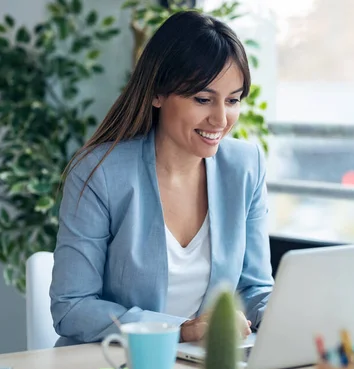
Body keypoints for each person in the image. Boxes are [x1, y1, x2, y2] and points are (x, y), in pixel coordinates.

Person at [49, 10, 274, 347]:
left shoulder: (245, 166)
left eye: (233, 100)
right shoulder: (100, 174)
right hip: (113, 367)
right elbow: (72, 306)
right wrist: (181, 330)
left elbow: (254, 288)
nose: (220, 118)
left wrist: (289, 317)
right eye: (203, 99)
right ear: (157, 93)